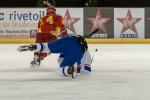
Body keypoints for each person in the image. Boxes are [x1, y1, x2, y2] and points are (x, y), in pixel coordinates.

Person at [18, 35, 92, 77]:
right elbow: (86, 70)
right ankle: (69, 70)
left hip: (70, 39)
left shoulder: (85, 54)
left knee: (47, 47)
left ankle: (34, 47)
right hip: (78, 50)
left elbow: (60, 59)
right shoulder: (87, 55)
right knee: (61, 70)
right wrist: (78, 69)